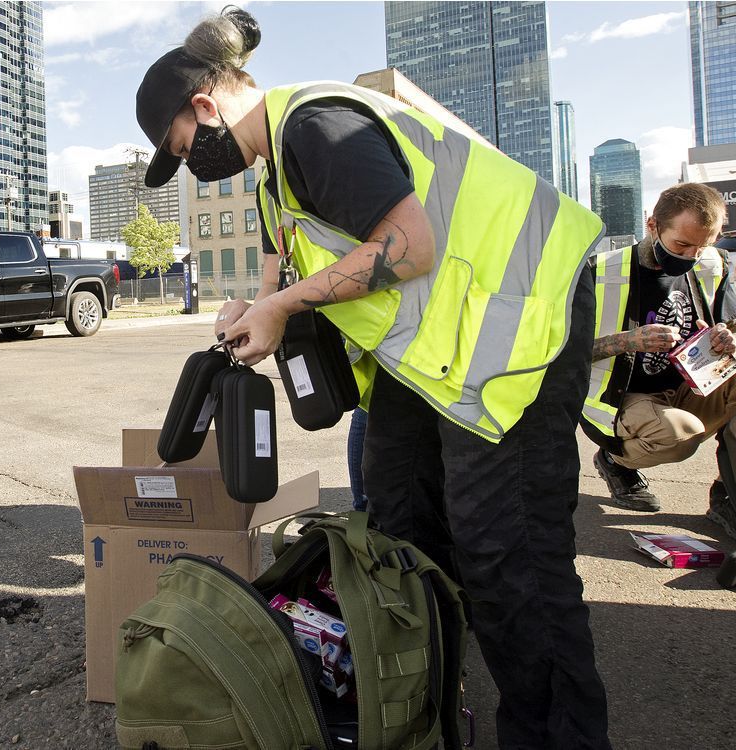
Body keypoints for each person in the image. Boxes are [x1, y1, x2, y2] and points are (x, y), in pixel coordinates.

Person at [135, 7, 612, 747]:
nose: (192, 162)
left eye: (185, 147)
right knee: (400, 528)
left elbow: (410, 246)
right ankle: (423, 713)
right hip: (440, 358)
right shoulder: (273, 182)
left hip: (520, 325)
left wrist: (285, 304)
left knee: (506, 548)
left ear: (205, 107)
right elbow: (279, 281)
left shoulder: (317, 127)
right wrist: (254, 310)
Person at [580, 183, 736, 540]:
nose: (691, 256)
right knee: (680, 434)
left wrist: (735, 343)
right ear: (652, 224)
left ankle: (732, 489)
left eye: (703, 245)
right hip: (624, 400)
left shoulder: (711, 263)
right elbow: (558, 350)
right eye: (681, 245)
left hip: (691, 386)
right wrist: (625, 341)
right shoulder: (599, 271)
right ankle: (616, 459)